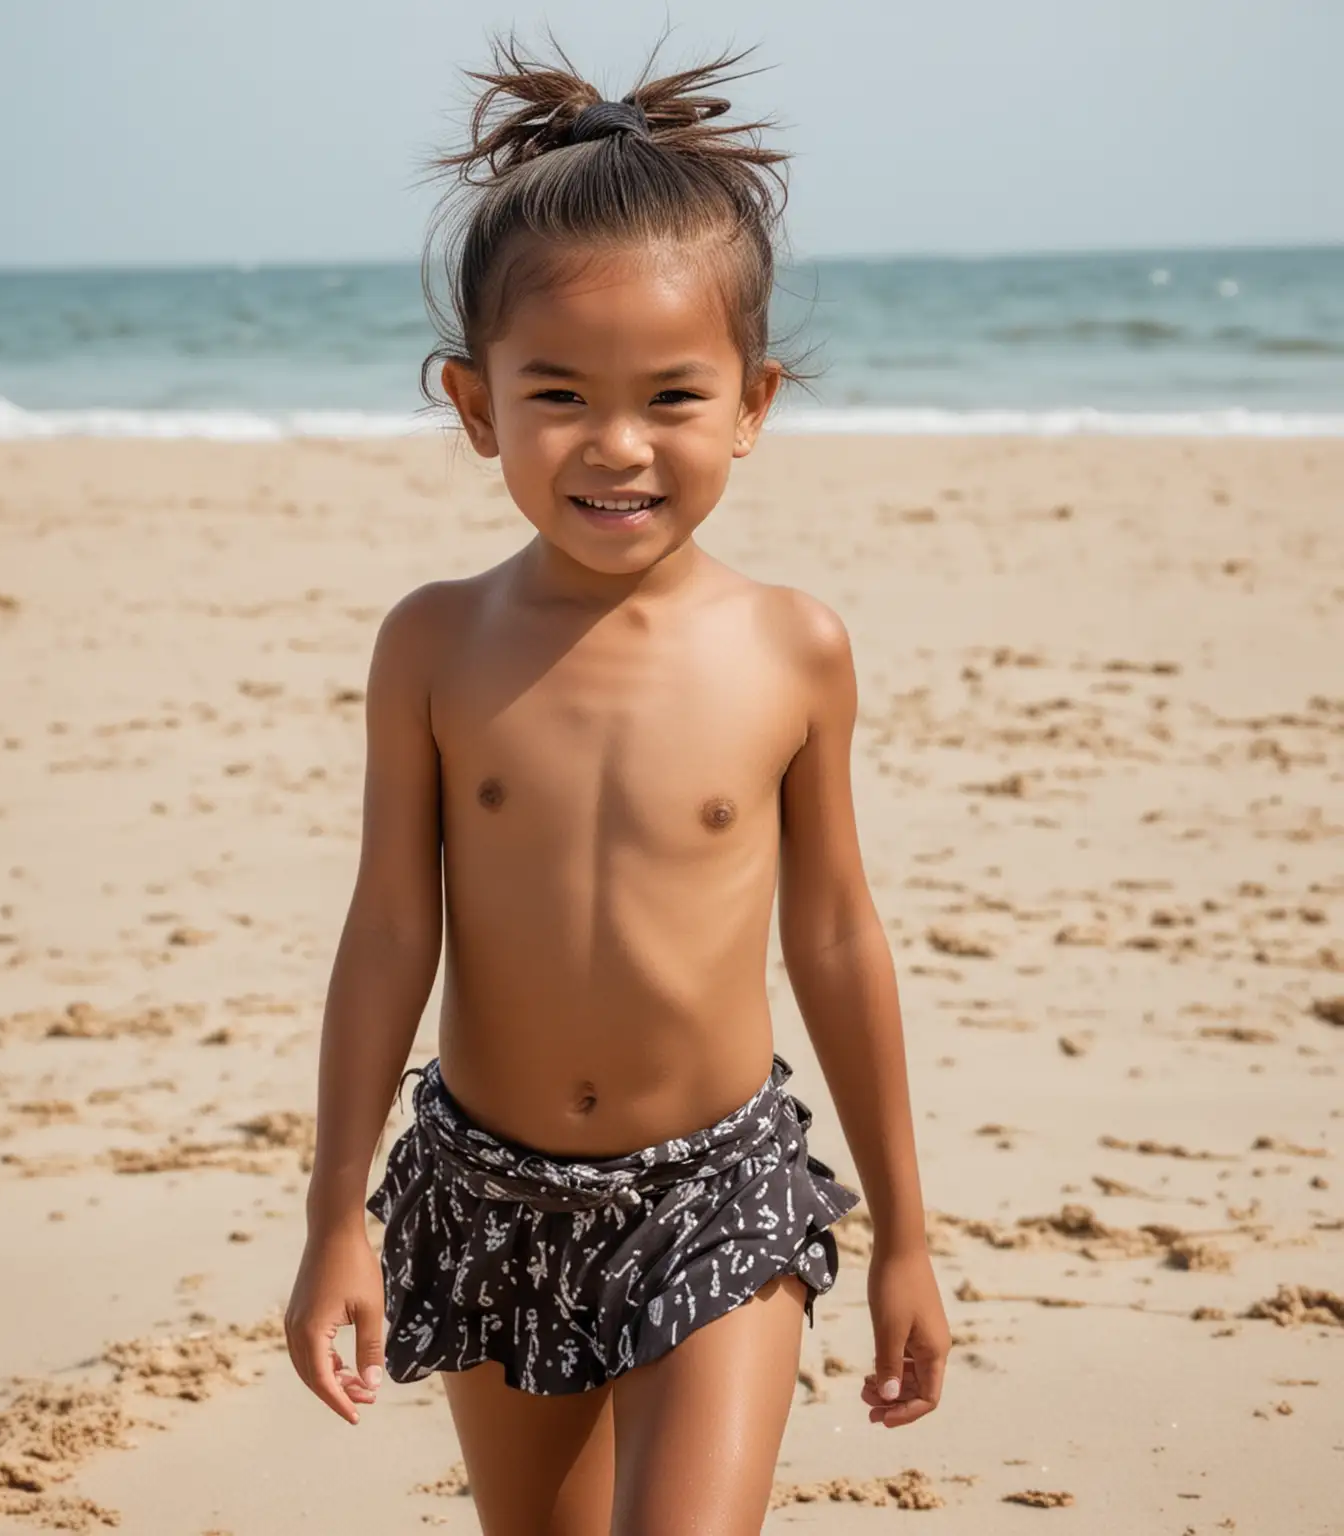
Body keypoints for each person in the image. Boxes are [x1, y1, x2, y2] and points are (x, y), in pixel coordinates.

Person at [285, 34, 950, 1535]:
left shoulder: (793, 650)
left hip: (717, 1190)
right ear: (476, 407)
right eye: (560, 395)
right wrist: (336, 1212)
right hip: (484, 1188)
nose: (618, 445)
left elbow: (836, 937)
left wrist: (907, 1236)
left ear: (753, 401)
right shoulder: (437, 644)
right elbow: (392, 928)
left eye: (672, 397)